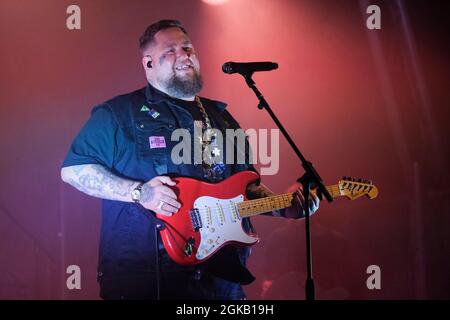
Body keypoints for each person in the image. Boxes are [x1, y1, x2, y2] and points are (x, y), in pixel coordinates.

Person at [60, 19, 320, 300]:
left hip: (221, 279)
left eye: (187, 47)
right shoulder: (119, 113)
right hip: (146, 278)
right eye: (170, 50)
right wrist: (139, 192)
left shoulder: (222, 118)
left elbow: (246, 188)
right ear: (148, 63)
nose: (184, 55)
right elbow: (74, 170)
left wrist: (284, 207)